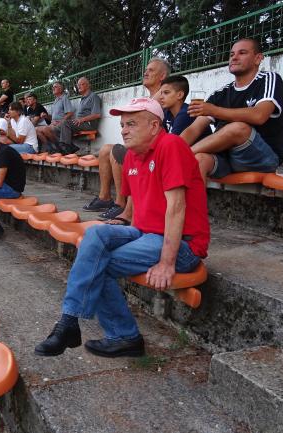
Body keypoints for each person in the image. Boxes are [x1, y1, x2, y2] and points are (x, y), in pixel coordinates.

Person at [35, 98, 209, 358]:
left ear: (154, 126)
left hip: (183, 243)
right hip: (145, 232)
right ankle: (69, 321)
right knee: (94, 233)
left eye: (131, 124)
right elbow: (133, 204)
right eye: (122, 124)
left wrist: (167, 263)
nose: (124, 130)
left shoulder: (171, 145)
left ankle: (122, 336)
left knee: (98, 264)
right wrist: (120, 223)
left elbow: (176, 208)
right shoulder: (131, 157)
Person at [181, 38, 283, 182]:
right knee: (199, 160)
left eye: (242, 53)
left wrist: (214, 110)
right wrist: (173, 147)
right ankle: (193, 204)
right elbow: (194, 129)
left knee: (238, 128)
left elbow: (259, 115)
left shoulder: (268, 79)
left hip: (262, 158)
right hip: (227, 159)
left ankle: (181, 156)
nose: (234, 57)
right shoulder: (220, 93)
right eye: (231, 55)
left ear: (258, 58)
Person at [83, 58, 170, 220]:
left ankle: (121, 204)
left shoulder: (167, 98)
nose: (146, 72)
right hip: (143, 149)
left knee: (117, 151)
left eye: (151, 70)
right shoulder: (146, 99)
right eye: (146, 69)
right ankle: (104, 197)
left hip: (155, 152)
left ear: (162, 76)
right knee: (105, 149)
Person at [53, 77, 101, 155]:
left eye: (81, 84)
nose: (79, 86)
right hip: (80, 123)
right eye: (78, 85)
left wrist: (82, 119)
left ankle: (66, 148)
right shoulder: (82, 98)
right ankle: (71, 147)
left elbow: (97, 114)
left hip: (88, 124)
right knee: (56, 128)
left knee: (65, 123)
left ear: (88, 85)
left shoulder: (93, 96)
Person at [158, 75, 211, 140]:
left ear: (180, 95)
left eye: (166, 93)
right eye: (161, 93)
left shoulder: (186, 113)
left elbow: (171, 143)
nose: (161, 97)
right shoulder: (167, 112)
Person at [36, 81, 74, 152]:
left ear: (60, 89)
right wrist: (46, 116)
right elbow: (52, 118)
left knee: (45, 129)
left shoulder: (64, 98)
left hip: (61, 124)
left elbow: (70, 113)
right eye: (52, 87)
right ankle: (51, 148)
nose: (53, 88)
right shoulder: (55, 101)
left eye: (55, 87)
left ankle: (58, 147)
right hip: (53, 124)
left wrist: (61, 122)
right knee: (36, 130)